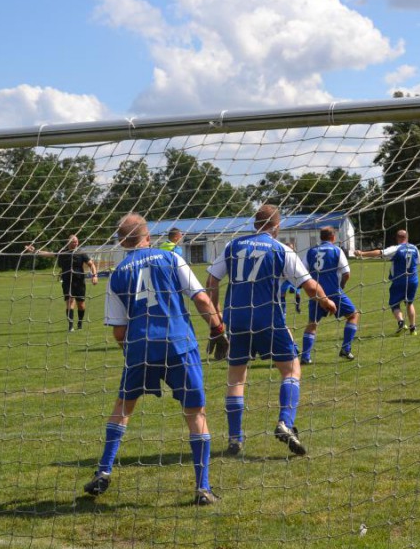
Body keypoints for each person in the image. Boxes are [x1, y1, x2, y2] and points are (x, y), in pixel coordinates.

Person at [83, 213, 227, 505]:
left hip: (140, 346)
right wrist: (218, 329)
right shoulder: (171, 258)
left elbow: (119, 332)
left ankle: (104, 470)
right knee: (195, 412)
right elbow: (200, 298)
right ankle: (203, 488)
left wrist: (133, 350)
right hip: (178, 343)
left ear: (121, 241)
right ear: (148, 236)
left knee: (123, 406)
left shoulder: (118, 273)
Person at [206, 204, 337, 457]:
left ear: (255, 224)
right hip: (269, 318)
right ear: (277, 226)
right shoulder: (281, 249)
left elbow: (212, 280)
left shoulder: (233, 246)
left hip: (237, 319)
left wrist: (217, 314)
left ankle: (235, 439)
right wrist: (326, 301)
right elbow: (309, 286)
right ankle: (285, 423)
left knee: (236, 377)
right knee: (291, 369)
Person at [301, 226, 360, 363]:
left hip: (316, 293)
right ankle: (345, 348)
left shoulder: (311, 251)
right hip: (334, 292)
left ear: (321, 237)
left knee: (313, 323)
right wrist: (342, 285)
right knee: (353, 315)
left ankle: (305, 356)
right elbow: (346, 273)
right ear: (333, 237)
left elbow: (302, 272)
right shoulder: (336, 250)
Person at [24, 235, 98, 331]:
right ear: (68, 243)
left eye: (76, 241)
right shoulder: (63, 252)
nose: (75, 243)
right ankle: (70, 326)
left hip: (79, 282)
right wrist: (34, 251)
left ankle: (80, 322)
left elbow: (91, 265)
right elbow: (49, 254)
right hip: (67, 281)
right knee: (70, 302)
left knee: (81, 305)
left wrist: (94, 275)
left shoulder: (81, 253)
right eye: (73, 242)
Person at [355, 229, 420, 336]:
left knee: (394, 304)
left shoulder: (396, 248)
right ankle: (413, 329)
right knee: (409, 303)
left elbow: (380, 253)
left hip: (399, 281)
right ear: (407, 237)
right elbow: (417, 263)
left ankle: (401, 322)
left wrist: (362, 253)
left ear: (398, 238)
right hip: (413, 280)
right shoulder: (415, 248)